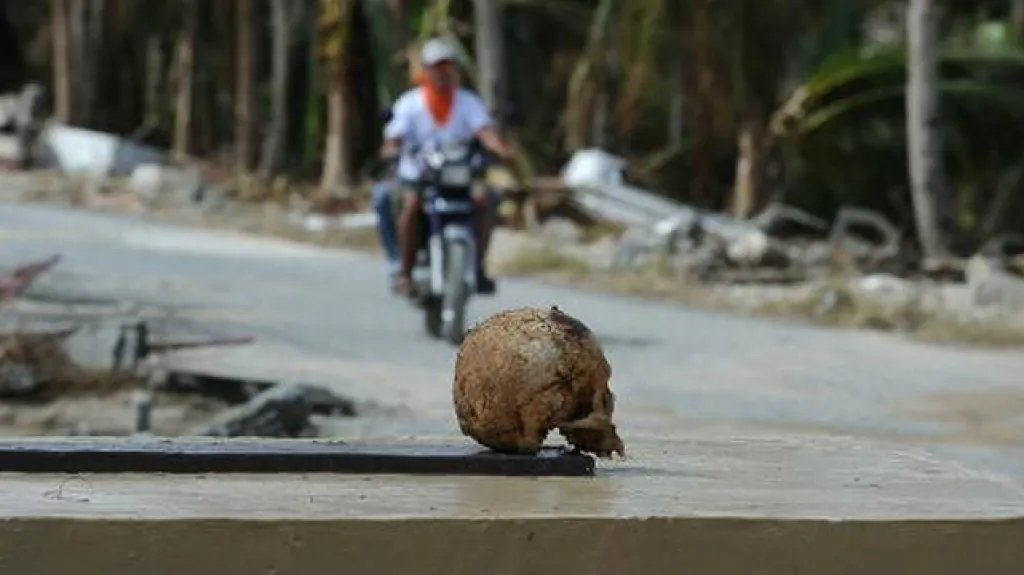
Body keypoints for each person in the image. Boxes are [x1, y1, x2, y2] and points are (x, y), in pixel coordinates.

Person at [380, 38, 516, 296]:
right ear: (425, 71)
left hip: (459, 176)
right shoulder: (410, 103)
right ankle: (405, 272)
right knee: (409, 206)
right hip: (420, 176)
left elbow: (485, 132)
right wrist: (391, 149)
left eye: (448, 67)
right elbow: (394, 137)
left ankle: (477, 265)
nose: (443, 73)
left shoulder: (468, 102)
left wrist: (501, 149)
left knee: (485, 199)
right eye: (437, 67)